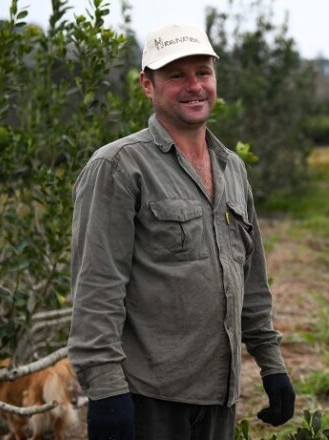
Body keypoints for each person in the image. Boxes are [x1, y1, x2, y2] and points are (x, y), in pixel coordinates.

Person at [68, 24, 295, 439]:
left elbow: (252, 279)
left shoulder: (232, 167)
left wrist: (272, 363)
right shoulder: (118, 167)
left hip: (219, 395)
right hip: (147, 399)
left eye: (203, 73)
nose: (194, 86)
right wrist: (105, 393)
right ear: (147, 85)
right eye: (176, 75)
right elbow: (97, 288)